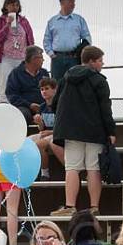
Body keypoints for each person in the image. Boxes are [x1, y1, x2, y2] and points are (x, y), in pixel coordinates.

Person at [50, 45, 115, 216]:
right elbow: (105, 109)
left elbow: (55, 103)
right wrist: (111, 131)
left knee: (72, 167)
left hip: (70, 131)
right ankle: (94, 206)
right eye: (100, 60)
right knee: (93, 168)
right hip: (94, 131)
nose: (102, 63)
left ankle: (70, 206)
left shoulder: (67, 77)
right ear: (92, 62)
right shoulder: (99, 81)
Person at [0, 0, 35, 102]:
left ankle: (21, 107)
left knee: (22, 84)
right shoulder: (0, 20)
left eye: (16, 5)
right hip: (6, 58)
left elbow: (30, 38)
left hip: (22, 59)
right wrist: (7, 24)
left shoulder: (24, 21)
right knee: (5, 85)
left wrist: (31, 55)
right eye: (11, 5)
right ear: (6, 6)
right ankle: (4, 107)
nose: (14, 7)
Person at [43, 0, 91, 82]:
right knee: (56, 85)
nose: (73, 4)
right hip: (57, 59)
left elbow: (87, 38)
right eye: (70, 1)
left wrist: (80, 51)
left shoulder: (79, 20)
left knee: (74, 84)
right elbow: (47, 40)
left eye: (73, 1)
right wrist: (51, 54)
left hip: (74, 58)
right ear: (62, 3)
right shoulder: (52, 21)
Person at [5, 46, 49, 125]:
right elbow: (11, 95)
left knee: (52, 115)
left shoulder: (44, 73)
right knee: (23, 115)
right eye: (41, 58)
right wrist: (30, 105)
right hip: (24, 106)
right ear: (33, 59)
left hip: (43, 106)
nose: (43, 60)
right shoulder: (16, 74)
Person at [31, 77, 64, 179]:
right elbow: (42, 129)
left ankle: (44, 173)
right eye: (42, 89)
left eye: (47, 88)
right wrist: (39, 122)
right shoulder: (42, 107)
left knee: (38, 144)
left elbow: (65, 127)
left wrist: (50, 132)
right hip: (47, 134)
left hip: (58, 134)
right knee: (26, 142)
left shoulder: (61, 105)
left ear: (55, 89)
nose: (44, 91)